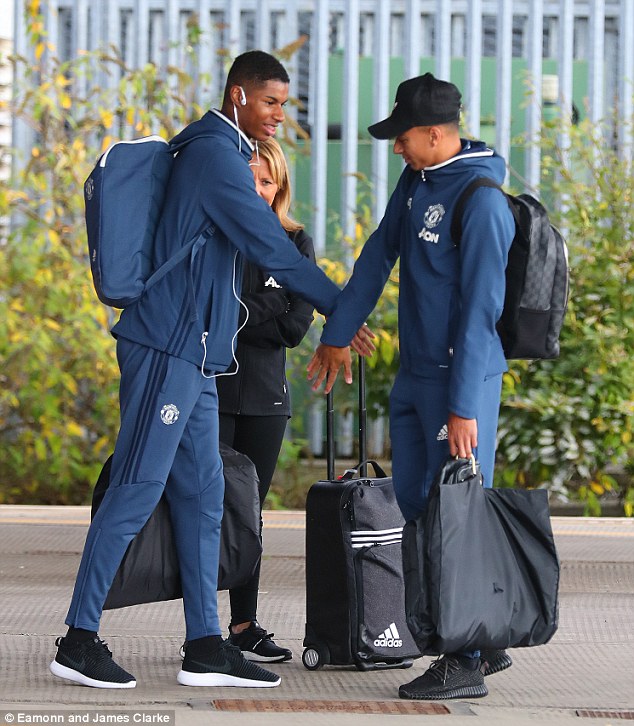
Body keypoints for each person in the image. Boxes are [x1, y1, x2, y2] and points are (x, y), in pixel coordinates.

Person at [49, 50, 358, 691]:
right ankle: (78, 640)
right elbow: (269, 245)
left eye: (285, 104)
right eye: (271, 102)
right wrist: (343, 307)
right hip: (165, 345)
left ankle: (205, 645)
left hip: (197, 354)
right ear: (240, 95)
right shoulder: (217, 155)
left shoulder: (220, 149)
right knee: (136, 488)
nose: (280, 116)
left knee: (204, 499)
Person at [307, 73, 516, 700]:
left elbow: (482, 310)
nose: (394, 146)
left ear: (434, 133)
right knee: (419, 504)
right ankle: (480, 636)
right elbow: (378, 253)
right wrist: (337, 331)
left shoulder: (482, 202)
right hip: (416, 375)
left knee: (454, 512)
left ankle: (464, 657)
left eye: (402, 136)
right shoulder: (418, 181)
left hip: (460, 381)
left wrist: (462, 406)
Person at [217, 138, 314, 662]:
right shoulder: (217, 238)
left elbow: (297, 326)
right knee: (208, 510)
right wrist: (270, 303)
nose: (257, 190)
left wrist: (241, 311)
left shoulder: (295, 244)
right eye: (249, 180)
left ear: (279, 187)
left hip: (264, 401)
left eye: (266, 181)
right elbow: (212, 314)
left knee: (249, 514)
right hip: (211, 393)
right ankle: (201, 629)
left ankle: (244, 625)